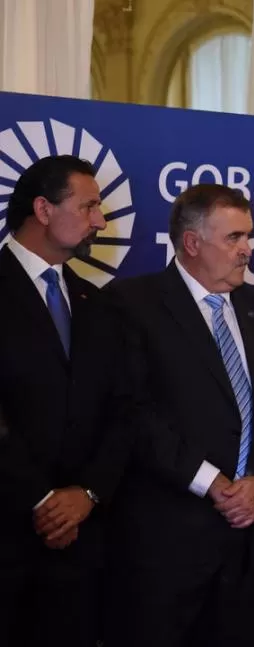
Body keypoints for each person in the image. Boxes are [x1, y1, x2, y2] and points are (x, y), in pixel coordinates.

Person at [105, 184, 254, 647]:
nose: (247, 250)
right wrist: (212, 482)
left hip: (250, 549)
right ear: (192, 243)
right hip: (166, 547)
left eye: (248, 237)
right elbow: (133, 412)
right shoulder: (132, 304)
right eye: (233, 238)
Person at [0, 155, 129, 646]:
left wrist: (87, 494)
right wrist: (43, 500)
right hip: (8, 533)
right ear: (43, 209)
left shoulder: (96, 302)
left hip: (83, 545)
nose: (100, 220)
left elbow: (123, 408)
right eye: (90, 205)